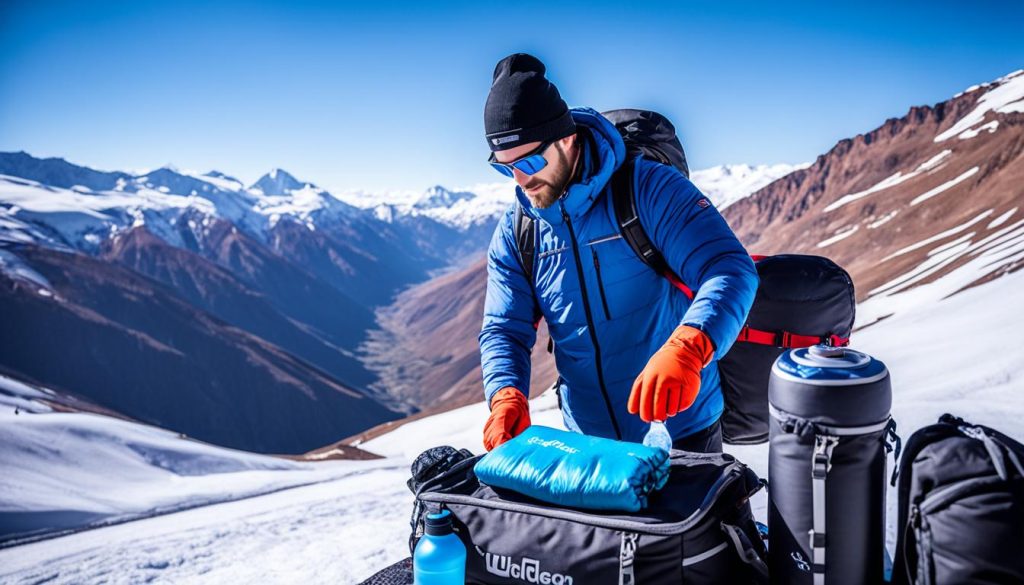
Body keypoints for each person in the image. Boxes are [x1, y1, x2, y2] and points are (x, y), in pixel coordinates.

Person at [479, 53, 757, 454]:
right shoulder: (518, 230)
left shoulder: (647, 189)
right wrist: (505, 394)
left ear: (566, 138)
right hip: (590, 445)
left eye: (530, 161)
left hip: (683, 431)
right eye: (504, 168)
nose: (521, 180)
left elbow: (728, 269)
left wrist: (689, 347)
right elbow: (505, 327)